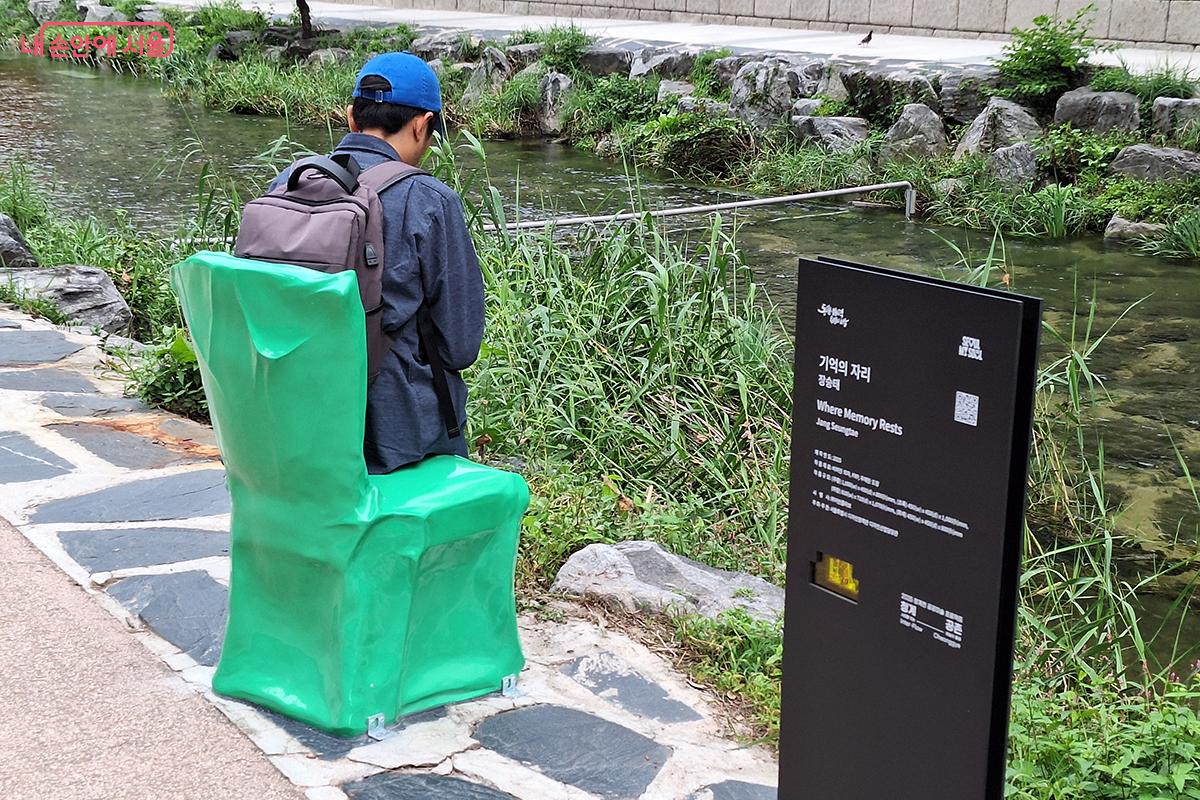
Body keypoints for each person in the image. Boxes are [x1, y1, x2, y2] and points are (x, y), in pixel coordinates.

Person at [269, 52, 484, 474]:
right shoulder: (430, 200)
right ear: (423, 124)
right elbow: (461, 345)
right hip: (398, 433)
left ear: (351, 116)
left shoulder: (290, 180)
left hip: (293, 408)